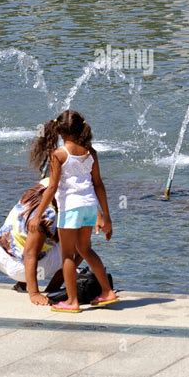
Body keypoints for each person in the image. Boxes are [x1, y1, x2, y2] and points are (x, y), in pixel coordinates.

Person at [27, 110, 118, 313]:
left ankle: (72, 301)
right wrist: (106, 216)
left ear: (60, 132)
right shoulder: (90, 152)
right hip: (89, 207)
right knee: (85, 250)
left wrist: (38, 213)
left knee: (68, 255)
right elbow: (98, 184)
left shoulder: (58, 155)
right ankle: (107, 292)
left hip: (70, 208)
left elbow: (51, 187)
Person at [0, 178, 67, 303]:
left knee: (29, 239)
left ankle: (22, 284)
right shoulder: (46, 215)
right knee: (79, 246)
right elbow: (30, 254)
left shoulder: (36, 190)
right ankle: (52, 290)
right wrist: (34, 293)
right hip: (19, 267)